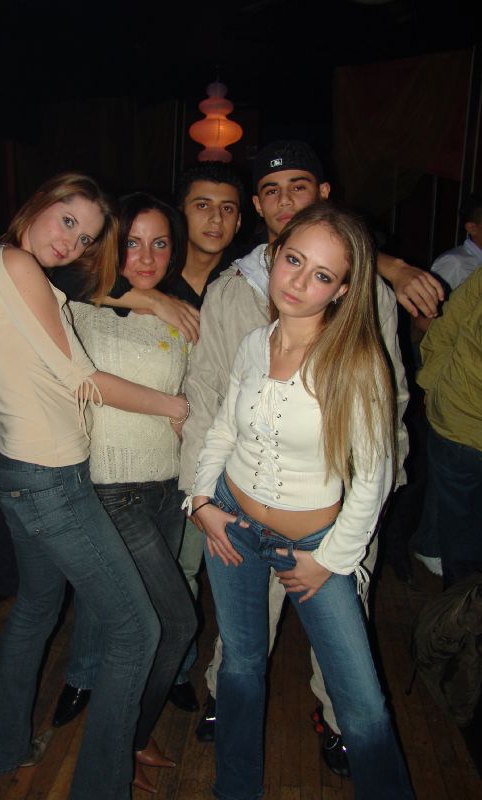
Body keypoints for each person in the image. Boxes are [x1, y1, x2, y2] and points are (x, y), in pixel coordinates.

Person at [179, 140, 420, 768]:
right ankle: (227, 719)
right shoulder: (236, 299)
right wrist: (197, 498)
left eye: (299, 185)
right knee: (241, 645)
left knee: (348, 653)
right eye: (271, 189)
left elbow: (387, 407)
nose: (285, 199)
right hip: (238, 505)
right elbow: (210, 403)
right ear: (259, 208)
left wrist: (360, 517)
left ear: (323, 193)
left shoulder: (367, 302)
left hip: (324, 516)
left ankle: (337, 722)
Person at [0, 172, 191, 800]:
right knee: (137, 630)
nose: (72, 242)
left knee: (37, 608)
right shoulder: (16, 264)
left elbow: (25, 352)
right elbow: (80, 378)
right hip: (49, 481)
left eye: (86, 237)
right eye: (68, 221)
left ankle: (2, 748)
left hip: (16, 466)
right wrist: (174, 406)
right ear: (40, 203)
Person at [52, 192, 196, 793]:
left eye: (160, 244)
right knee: (174, 623)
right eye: (132, 242)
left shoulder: (183, 317)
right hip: (112, 491)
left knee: (144, 625)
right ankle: (121, 742)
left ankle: (128, 734)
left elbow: (198, 396)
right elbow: (49, 272)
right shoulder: (77, 307)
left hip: (167, 489)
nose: (147, 257)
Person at [167, 162, 246, 712]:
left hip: (211, 453)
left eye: (227, 208)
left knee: (190, 566)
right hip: (143, 450)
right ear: (181, 212)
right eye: (202, 205)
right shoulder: (148, 271)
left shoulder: (249, 284)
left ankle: (176, 668)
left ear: (240, 220)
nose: (215, 219)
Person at [410, 194, 482, 576]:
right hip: (459, 417)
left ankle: (432, 548)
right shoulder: (455, 264)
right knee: (459, 521)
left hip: (455, 414)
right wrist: (432, 387)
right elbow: (433, 326)